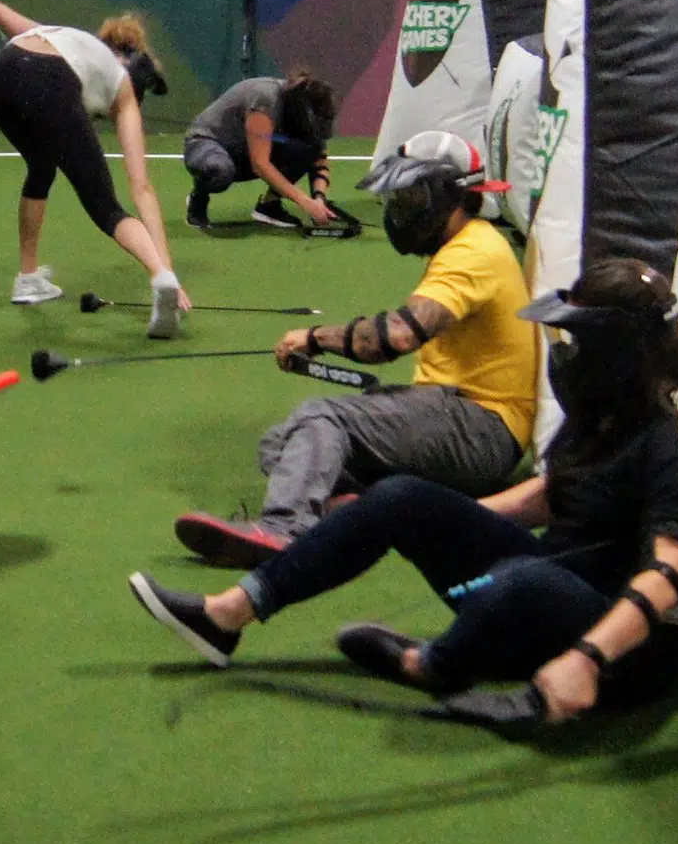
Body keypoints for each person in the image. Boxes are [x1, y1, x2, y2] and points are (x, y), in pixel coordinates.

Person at [130, 258, 678, 724]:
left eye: (577, 338)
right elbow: (552, 497)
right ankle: (227, 614)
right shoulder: (615, 401)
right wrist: (439, 525)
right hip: (555, 587)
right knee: (401, 497)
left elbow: (668, 574)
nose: (566, 352)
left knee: (519, 584)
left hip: (633, 647)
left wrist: (588, 660)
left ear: (619, 347)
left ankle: (430, 665)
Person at [167, 131, 537, 568]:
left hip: (482, 428)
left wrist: (315, 337)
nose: (400, 209)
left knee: (322, 419)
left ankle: (283, 531)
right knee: (282, 443)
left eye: (411, 195)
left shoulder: (473, 252)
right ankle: (366, 512)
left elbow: (397, 336)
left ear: (450, 197)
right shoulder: (464, 245)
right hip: (458, 418)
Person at [0, 0, 190, 333]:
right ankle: (161, 279)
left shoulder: (63, 37)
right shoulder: (123, 89)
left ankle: (28, 279)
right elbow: (141, 188)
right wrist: (167, 268)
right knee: (106, 208)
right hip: (50, 82)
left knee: (42, 164)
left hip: (0, 78)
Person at [181, 71, 339, 231]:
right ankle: (198, 199)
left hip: (245, 150)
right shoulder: (266, 100)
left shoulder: (304, 110)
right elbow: (260, 164)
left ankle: (269, 207)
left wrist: (319, 198)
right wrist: (305, 203)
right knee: (219, 170)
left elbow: (319, 157)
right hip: (206, 144)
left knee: (308, 148)